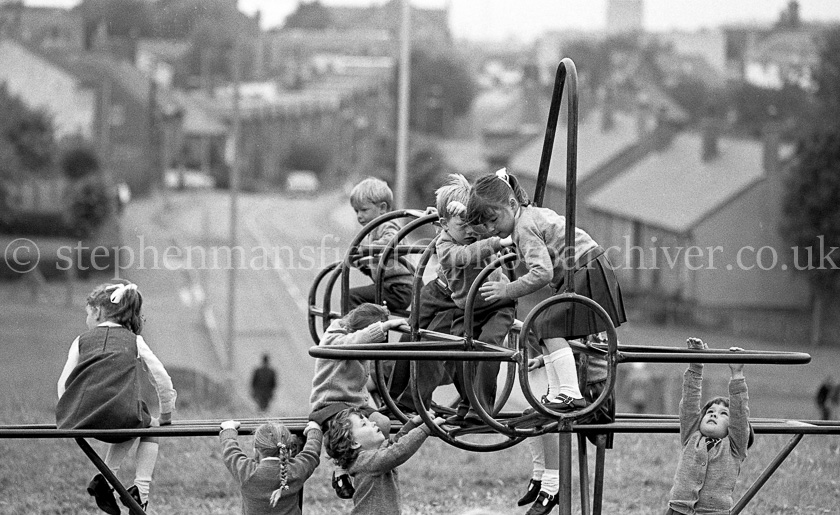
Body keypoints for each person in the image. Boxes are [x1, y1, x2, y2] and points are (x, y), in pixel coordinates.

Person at [466, 168, 626, 514]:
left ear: (511, 204)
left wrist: (506, 289)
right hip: (589, 268)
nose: (493, 229)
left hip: (585, 272)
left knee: (545, 327)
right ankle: (560, 387)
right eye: (486, 228)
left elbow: (542, 273)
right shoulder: (527, 216)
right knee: (543, 328)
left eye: (494, 221)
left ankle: (568, 391)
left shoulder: (523, 227)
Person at [394, 173, 515, 424]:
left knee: (474, 346)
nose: (472, 231)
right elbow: (461, 255)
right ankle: (401, 398)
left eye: (474, 223)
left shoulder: (478, 233)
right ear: (442, 225)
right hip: (451, 296)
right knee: (417, 336)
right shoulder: (446, 246)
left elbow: (496, 220)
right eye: (464, 226)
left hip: (486, 302)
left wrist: (471, 220)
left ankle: (476, 406)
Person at [56, 281, 177, 513]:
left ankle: (108, 481)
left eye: (87, 314)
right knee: (147, 424)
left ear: (98, 312)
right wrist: (166, 415)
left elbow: (63, 382)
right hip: (119, 418)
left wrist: (68, 412)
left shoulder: (81, 341)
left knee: (130, 418)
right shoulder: (134, 341)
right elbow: (161, 379)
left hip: (79, 419)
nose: (87, 320)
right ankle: (140, 492)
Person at [309, 303, 409, 500]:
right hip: (330, 404)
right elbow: (353, 342)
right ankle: (342, 469)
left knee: (383, 423)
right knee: (346, 431)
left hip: (355, 404)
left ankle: (375, 466)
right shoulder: (335, 336)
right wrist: (382, 327)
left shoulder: (352, 334)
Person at [666, 338, 753, 515]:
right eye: (710, 411)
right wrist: (696, 364)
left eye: (723, 414)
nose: (714, 414)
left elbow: (740, 415)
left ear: (731, 427)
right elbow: (689, 403)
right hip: (679, 509)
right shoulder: (692, 436)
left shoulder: (735, 447)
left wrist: (737, 373)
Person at [324, 407, 445, 514]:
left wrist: (413, 423)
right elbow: (399, 451)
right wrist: (426, 428)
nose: (373, 423)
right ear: (355, 443)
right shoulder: (366, 462)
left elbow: (394, 444)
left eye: (368, 420)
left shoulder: (370, 458)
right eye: (364, 424)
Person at [219, 419, 322, 515]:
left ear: (256, 451)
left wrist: (229, 431)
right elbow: (311, 453)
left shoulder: (247, 471)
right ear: (289, 452)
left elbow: (231, 452)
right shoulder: (296, 470)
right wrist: (314, 431)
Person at [347, 177, 414, 312]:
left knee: (351, 296)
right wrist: (360, 262)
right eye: (356, 211)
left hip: (399, 289)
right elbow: (374, 259)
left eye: (364, 210)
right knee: (357, 299)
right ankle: (366, 328)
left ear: (382, 208)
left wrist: (365, 250)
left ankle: (360, 331)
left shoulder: (387, 224)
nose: (359, 216)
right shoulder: (371, 232)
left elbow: (393, 240)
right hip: (388, 287)